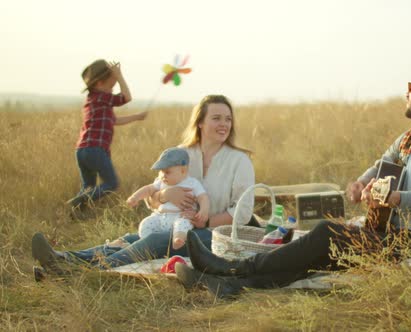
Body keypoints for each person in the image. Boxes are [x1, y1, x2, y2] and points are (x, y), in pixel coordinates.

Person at [174, 60, 411, 299]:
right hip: (394, 234)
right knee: (315, 258)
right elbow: (382, 164)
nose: (407, 91)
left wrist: (395, 198)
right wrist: (361, 183)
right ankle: (224, 285)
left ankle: (229, 268)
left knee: (326, 232)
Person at [32, 95, 255, 273]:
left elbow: (242, 212)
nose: (224, 123)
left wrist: (203, 221)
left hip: (217, 235)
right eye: (216, 118)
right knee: (130, 239)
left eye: (228, 118)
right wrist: (167, 196)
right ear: (200, 123)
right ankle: (60, 260)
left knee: (156, 240)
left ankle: (83, 272)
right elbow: (154, 197)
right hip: (175, 225)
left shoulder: (240, 161)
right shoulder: (181, 154)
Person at [68, 59, 148, 209]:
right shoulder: (102, 97)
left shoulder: (93, 100)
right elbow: (126, 97)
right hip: (95, 149)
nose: (113, 90)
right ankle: (78, 201)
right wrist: (119, 75)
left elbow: (114, 120)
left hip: (82, 151)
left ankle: (76, 211)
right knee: (111, 184)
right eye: (112, 85)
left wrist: (137, 117)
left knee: (89, 187)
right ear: (99, 84)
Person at [126, 147, 210, 250]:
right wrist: (135, 197)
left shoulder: (192, 183)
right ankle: (145, 243)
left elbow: (203, 197)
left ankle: (178, 240)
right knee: (145, 224)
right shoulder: (161, 182)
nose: (163, 175)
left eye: (167, 172)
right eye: (161, 172)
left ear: (183, 171)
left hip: (180, 216)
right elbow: (148, 189)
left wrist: (203, 211)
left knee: (183, 224)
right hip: (160, 216)